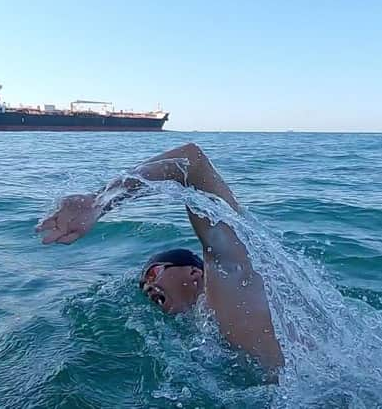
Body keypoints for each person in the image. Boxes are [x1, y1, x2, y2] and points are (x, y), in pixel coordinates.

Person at [36, 143, 284, 376]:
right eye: (144, 283)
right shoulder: (201, 333)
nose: (146, 287)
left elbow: (192, 161)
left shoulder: (233, 282)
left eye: (153, 273)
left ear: (194, 273)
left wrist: (100, 200)